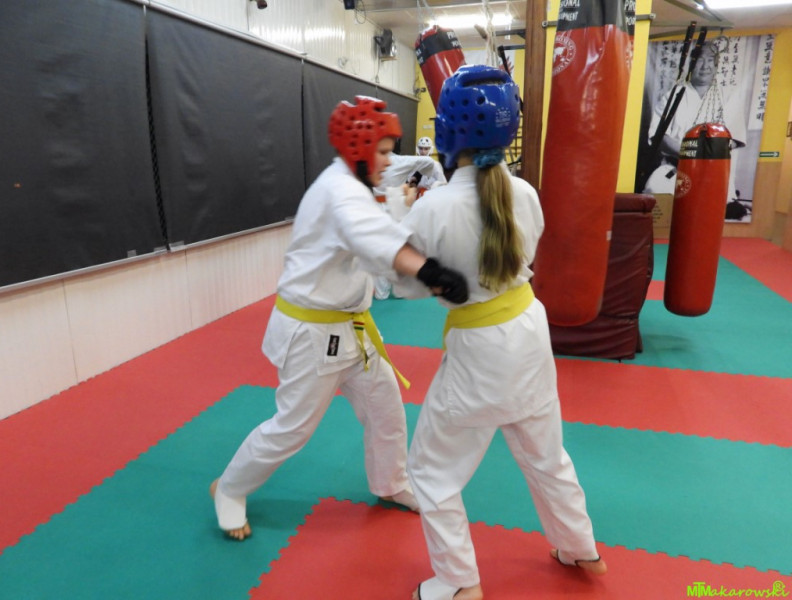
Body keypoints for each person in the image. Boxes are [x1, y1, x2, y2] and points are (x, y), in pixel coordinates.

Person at [210, 96, 469, 541]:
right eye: (382, 152)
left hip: (352, 328)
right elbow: (376, 239)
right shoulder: (340, 192)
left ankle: (391, 482)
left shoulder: (354, 184)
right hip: (311, 334)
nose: (388, 161)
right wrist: (432, 272)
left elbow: (380, 232)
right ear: (358, 149)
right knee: (292, 428)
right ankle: (230, 488)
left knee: (385, 407)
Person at [392, 65, 608, 600]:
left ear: (447, 132)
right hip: (529, 331)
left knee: (430, 471)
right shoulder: (525, 193)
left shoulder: (434, 208)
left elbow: (406, 288)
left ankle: (457, 581)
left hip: (480, 350)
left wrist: (402, 223)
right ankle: (580, 546)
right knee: (545, 453)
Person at [644, 41, 746, 197]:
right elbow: (659, 135)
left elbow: (734, 139)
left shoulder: (729, 96)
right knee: (656, 194)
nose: (705, 66)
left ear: (716, 64)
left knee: (714, 206)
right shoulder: (673, 95)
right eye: (700, 60)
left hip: (713, 171)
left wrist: (706, 156)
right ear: (691, 63)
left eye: (710, 60)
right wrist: (690, 154)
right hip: (675, 169)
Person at [372, 143, 446, 300]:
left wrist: (440, 184)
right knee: (394, 248)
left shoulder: (395, 161)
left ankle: (383, 292)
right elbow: (431, 163)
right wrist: (442, 184)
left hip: (386, 206)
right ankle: (396, 290)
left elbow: (430, 163)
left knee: (383, 250)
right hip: (390, 206)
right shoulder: (399, 161)